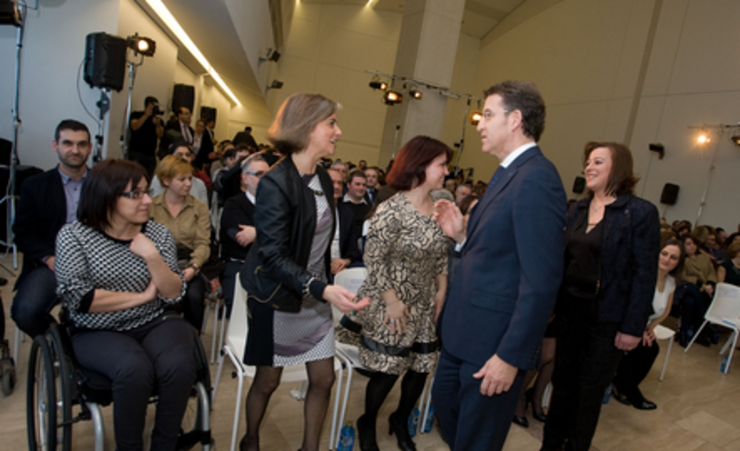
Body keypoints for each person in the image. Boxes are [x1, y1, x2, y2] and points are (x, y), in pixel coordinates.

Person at [432, 80, 566, 451]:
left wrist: (510, 356)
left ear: (515, 120)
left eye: (488, 114)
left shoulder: (537, 178)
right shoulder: (508, 173)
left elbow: (540, 281)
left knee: (478, 441)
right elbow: (500, 253)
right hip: (464, 335)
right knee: (450, 417)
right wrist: (462, 237)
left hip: (493, 346)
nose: (479, 124)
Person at [238, 93, 370, 451]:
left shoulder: (324, 179)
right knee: (267, 381)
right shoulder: (275, 182)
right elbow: (273, 255)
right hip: (280, 296)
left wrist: (323, 284)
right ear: (307, 127)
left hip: (313, 296)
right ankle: (250, 440)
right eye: (331, 123)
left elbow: (322, 238)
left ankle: (309, 448)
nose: (338, 132)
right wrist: (321, 288)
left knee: (324, 379)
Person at [55, 159, 196, 451]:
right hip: (96, 330)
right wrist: (142, 297)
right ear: (106, 196)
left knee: (181, 365)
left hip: (154, 321)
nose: (147, 200)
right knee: (133, 370)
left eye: (146, 191)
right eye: (135, 194)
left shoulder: (156, 235)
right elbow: (80, 298)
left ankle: (164, 446)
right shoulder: (74, 236)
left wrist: (153, 257)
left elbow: (173, 293)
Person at [541, 141, 660, 451]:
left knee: (588, 391)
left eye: (598, 162)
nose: (589, 167)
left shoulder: (639, 212)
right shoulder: (578, 208)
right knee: (562, 384)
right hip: (569, 311)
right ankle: (550, 446)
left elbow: (644, 274)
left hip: (607, 318)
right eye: (588, 162)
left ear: (617, 169)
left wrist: (633, 327)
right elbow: (563, 261)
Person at [337, 135, 451, 451]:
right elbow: (373, 257)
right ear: (420, 165)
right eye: (441, 165)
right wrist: (392, 302)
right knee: (388, 371)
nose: (446, 171)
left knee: (420, 369)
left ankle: (400, 419)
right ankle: (367, 421)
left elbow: (442, 250)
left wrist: (442, 287)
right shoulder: (392, 208)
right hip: (392, 299)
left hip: (424, 298)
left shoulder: (442, 203)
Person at [12, 119, 91, 337]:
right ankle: (59, 344)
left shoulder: (102, 184)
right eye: (68, 143)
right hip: (51, 264)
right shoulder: (35, 185)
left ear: (90, 148)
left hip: (95, 263)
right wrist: (49, 259)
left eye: (82, 144)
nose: (75, 150)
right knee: (26, 311)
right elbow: (23, 233)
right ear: (55, 146)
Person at [612, 238, 684, 410]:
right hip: (622, 322)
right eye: (664, 254)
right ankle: (633, 393)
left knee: (650, 348)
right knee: (617, 351)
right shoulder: (642, 275)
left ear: (678, 263)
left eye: (673, 257)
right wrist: (638, 328)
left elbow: (665, 311)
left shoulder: (670, 282)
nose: (667, 259)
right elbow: (628, 305)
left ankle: (623, 387)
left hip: (642, 326)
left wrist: (650, 328)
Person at [149, 155, 211, 333]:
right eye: (182, 179)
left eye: (190, 178)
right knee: (162, 298)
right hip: (158, 263)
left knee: (194, 296)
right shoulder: (152, 206)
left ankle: (192, 342)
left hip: (188, 261)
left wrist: (194, 267)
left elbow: (202, 242)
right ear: (166, 180)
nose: (188, 183)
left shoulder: (198, 207)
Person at [219, 154, 268, 316]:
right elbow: (242, 238)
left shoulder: (279, 207)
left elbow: (289, 235)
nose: (266, 179)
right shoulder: (234, 204)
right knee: (240, 311)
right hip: (239, 264)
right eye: (259, 174)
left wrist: (257, 232)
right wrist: (269, 234)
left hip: (270, 265)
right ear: (245, 178)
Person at [327, 168, 362, 274]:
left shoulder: (347, 213)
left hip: (341, 266)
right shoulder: (310, 211)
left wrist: (345, 261)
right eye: (332, 182)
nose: (336, 187)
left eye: (340, 183)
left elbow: (353, 249)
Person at [128, 96, 164, 176]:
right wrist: (146, 115)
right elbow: (134, 126)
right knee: (134, 176)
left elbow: (160, 135)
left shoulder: (158, 120)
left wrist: (157, 124)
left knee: (148, 177)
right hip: (137, 152)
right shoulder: (136, 114)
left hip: (150, 154)